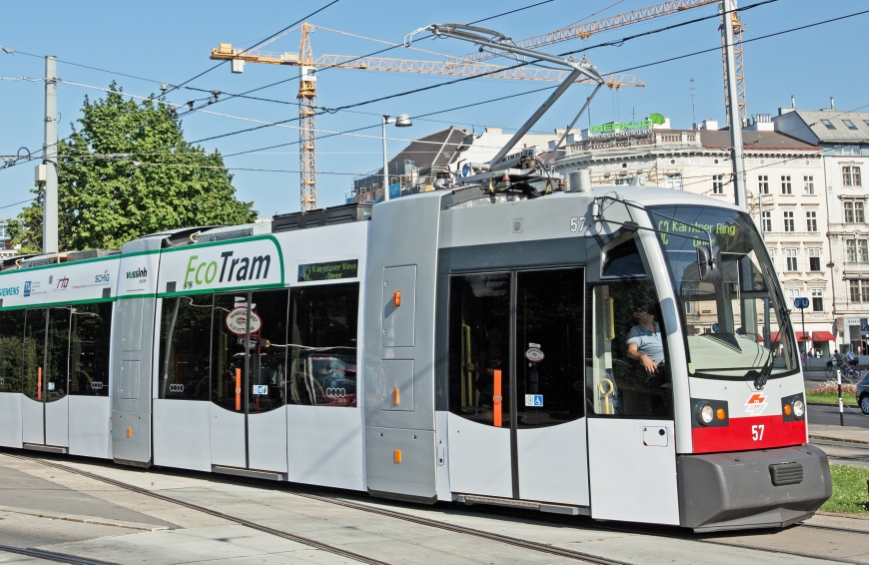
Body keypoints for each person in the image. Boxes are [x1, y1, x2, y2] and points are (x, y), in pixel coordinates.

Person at [626, 308, 665, 375]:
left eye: (650, 310)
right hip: (656, 371)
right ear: (636, 314)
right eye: (644, 310)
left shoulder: (662, 325)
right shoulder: (635, 331)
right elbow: (631, 352)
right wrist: (643, 356)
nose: (649, 313)